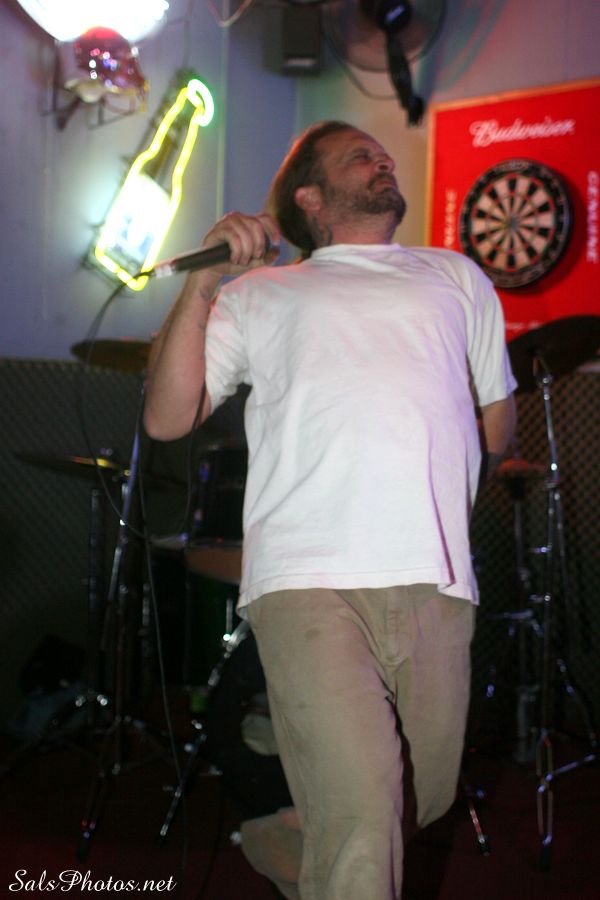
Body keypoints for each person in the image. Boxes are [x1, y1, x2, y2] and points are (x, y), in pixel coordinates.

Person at [144, 120, 517, 900]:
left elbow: (496, 421)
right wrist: (202, 282)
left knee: (415, 802)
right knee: (364, 824)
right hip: (306, 579)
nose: (383, 159)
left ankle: (291, 837)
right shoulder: (260, 293)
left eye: (382, 154)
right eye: (359, 156)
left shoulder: (456, 276)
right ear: (310, 197)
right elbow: (168, 417)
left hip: (434, 577)